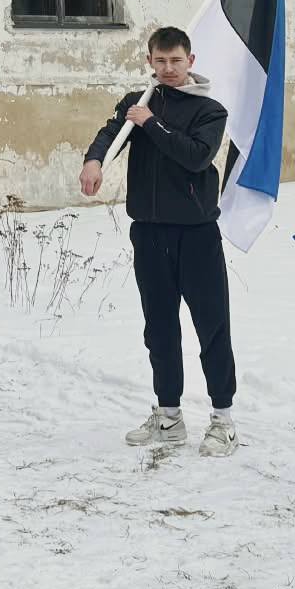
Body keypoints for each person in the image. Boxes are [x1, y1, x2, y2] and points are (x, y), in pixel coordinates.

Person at [79, 27, 236, 457]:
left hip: (197, 233)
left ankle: (223, 419)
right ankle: (169, 417)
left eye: (176, 61)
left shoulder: (209, 110)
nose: (167, 69)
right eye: (160, 61)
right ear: (150, 60)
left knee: (212, 327)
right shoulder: (139, 100)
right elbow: (112, 132)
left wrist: (152, 124)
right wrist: (94, 160)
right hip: (148, 232)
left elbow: (195, 157)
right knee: (160, 328)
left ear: (191, 60)